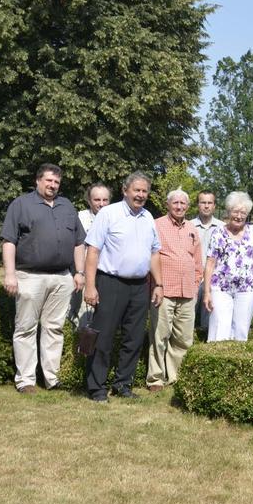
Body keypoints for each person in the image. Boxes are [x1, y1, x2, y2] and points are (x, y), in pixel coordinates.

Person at [0, 164, 86, 394]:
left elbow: (79, 241)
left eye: (56, 182)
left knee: (54, 329)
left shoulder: (67, 206)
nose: (52, 185)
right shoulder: (21, 205)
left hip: (61, 278)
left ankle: (52, 378)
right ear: (38, 181)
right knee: (25, 328)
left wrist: (79, 272)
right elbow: (9, 241)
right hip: (29, 276)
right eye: (48, 181)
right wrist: (9, 274)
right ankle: (26, 380)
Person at [83, 172, 164, 402]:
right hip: (111, 283)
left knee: (134, 338)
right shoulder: (109, 214)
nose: (140, 195)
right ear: (125, 190)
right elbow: (93, 252)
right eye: (136, 190)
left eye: (144, 191)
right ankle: (96, 388)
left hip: (139, 286)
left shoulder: (148, 217)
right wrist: (90, 286)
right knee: (104, 338)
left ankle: (123, 385)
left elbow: (155, 252)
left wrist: (158, 283)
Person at [147, 189, 202, 392]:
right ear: (168, 205)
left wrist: (196, 284)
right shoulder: (156, 224)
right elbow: (151, 255)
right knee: (159, 336)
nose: (179, 206)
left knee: (183, 339)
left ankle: (176, 376)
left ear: (188, 206)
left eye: (183, 203)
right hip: (164, 290)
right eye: (175, 203)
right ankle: (155, 378)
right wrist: (154, 285)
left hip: (187, 292)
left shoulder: (192, 228)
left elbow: (197, 261)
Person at [204, 191, 253, 341]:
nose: (239, 216)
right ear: (229, 212)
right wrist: (207, 292)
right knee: (219, 329)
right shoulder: (218, 232)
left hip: (247, 288)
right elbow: (210, 263)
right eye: (235, 211)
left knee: (241, 330)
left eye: (243, 212)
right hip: (220, 288)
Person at [70, 182, 112, 330]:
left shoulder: (116, 217)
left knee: (106, 316)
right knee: (84, 315)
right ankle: (83, 349)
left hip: (108, 275)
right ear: (89, 201)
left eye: (105, 200)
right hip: (86, 274)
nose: (101, 204)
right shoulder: (80, 217)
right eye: (97, 200)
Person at [192, 190, 221, 329]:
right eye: (203, 202)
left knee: (208, 322)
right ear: (198, 204)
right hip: (192, 278)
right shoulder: (188, 226)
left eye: (210, 203)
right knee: (188, 319)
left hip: (214, 279)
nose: (206, 206)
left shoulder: (222, 228)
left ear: (214, 206)